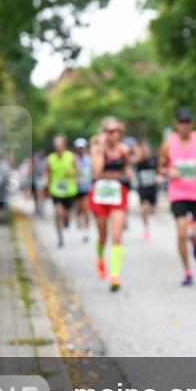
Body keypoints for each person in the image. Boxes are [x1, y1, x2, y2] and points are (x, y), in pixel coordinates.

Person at [159, 107, 196, 286]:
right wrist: (169, 171)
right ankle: (187, 271)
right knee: (181, 232)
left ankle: (195, 244)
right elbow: (161, 166)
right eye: (181, 122)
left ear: (192, 123)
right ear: (176, 124)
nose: (184, 126)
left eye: (187, 122)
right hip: (179, 193)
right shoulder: (168, 143)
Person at [88, 117, 133, 291]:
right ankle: (100, 258)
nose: (116, 134)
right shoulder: (97, 149)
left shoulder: (124, 150)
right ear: (104, 133)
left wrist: (127, 173)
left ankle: (115, 275)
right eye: (111, 131)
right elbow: (98, 172)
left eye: (118, 131)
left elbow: (126, 168)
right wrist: (101, 147)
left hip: (117, 194)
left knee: (116, 235)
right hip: (100, 195)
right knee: (103, 236)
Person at [45, 135, 78, 247]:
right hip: (56, 190)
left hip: (69, 190)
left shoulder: (72, 156)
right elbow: (47, 172)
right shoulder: (51, 158)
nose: (58, 146)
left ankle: (66, 220)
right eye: (56, 145)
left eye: (60, 144)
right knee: (58, 212)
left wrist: (72, 172)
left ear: (65, 145)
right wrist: (46, 184)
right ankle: (60, 237)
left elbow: (78, 170)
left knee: (66, 214)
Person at [134, 140, 159, 241]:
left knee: (153, 210)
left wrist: (158, 176)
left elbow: (159, 169)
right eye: (143, 149)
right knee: (144, 208)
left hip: (153, 187)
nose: (145, 150)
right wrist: (139, 156)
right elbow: (132, 163)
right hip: (143, 187)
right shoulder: (139, 160)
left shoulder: (154, 158)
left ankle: (150, 213)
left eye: (146, 148)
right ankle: (146, 229)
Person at [73, 138, 93, 242]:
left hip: (86, 188)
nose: (81, 150)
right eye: (79, 148)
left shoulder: (90, 159)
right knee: (79, 209)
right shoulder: (73, 159)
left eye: (82, 148)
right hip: (75, 189)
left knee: (86, 210)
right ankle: (78, 217)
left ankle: (86, 232)